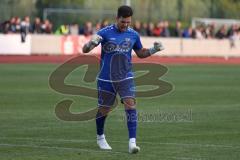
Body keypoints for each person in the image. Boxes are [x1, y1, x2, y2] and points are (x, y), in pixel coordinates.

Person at [82, 5, 164, 154]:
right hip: (106, 78)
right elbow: (84, 50)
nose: (125, 25)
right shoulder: (104, 33)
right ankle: (100, 137)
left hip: (126, 77)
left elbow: (140, 53)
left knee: (130, 104)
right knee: (104, 110)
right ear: (117, 18)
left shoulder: (133, 35)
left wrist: (154, 49)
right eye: (123, 22)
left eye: (128, 22)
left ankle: (132, 143)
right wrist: (90, 43)